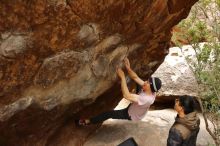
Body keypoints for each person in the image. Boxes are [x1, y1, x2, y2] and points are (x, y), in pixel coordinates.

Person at [75, 58, 162, 125]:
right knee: (138, 83)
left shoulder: (146, 98)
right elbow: (135, 78)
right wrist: (128, 68)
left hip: (130, 114)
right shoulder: (151, 90)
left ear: (150, 87)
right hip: (137, 105)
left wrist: (123, 77)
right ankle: (135, 101)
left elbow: (126, 95)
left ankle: (87, 122)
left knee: (108, 114)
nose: (145, 82)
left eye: (147, 82)